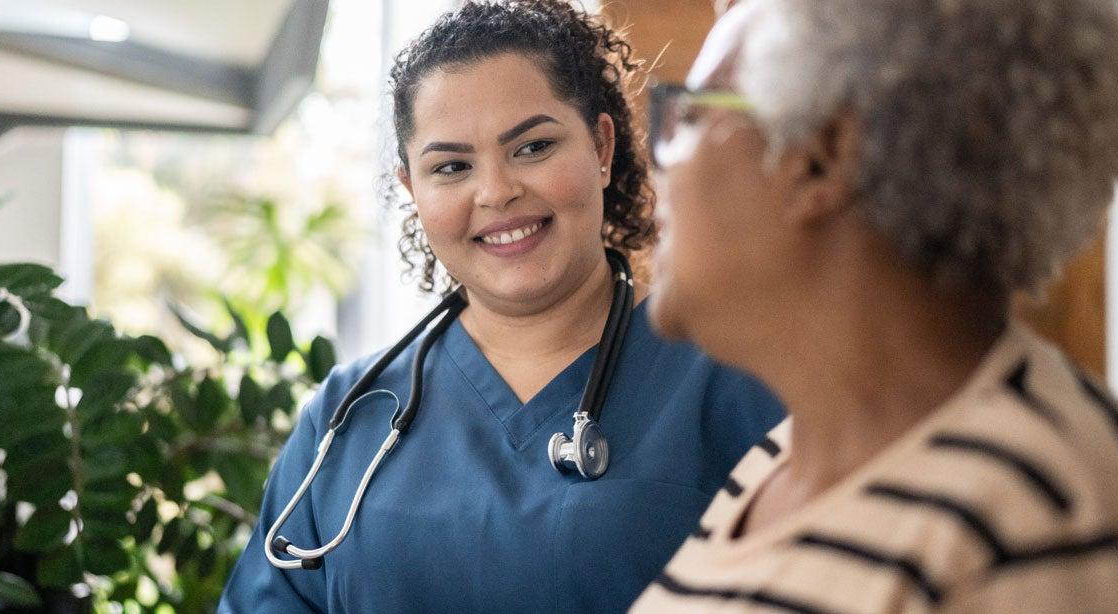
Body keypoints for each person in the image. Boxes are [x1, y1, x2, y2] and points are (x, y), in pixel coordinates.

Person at [632, 0, 1118, 611]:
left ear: (820, 156)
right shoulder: (777, 463)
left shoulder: (1044, 513)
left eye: (688, 116)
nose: (654, 163)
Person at [219, 1, 786, 612]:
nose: (495, 191)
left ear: (601, 146)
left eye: (534, 147)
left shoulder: (737, 383)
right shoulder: (349, 415)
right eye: (452, 166)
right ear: (412, 187)